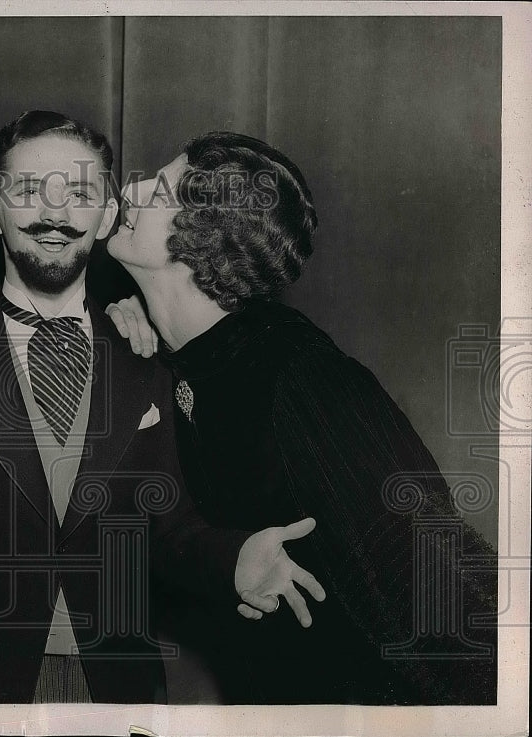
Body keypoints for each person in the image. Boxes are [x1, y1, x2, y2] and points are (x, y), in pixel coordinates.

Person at [0, 111, 326, 704]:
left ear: (108, 214)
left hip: (122, 687)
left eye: (81, 192)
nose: (56, 214)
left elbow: (172, 527)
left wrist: (235, 558)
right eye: (30, 190)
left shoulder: (151, 360)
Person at [107, 131, 498, 703]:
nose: (131, 188)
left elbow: (433, 559)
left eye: (159, 187)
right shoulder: (175, 360)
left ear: (203, 236)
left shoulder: (299, 373)